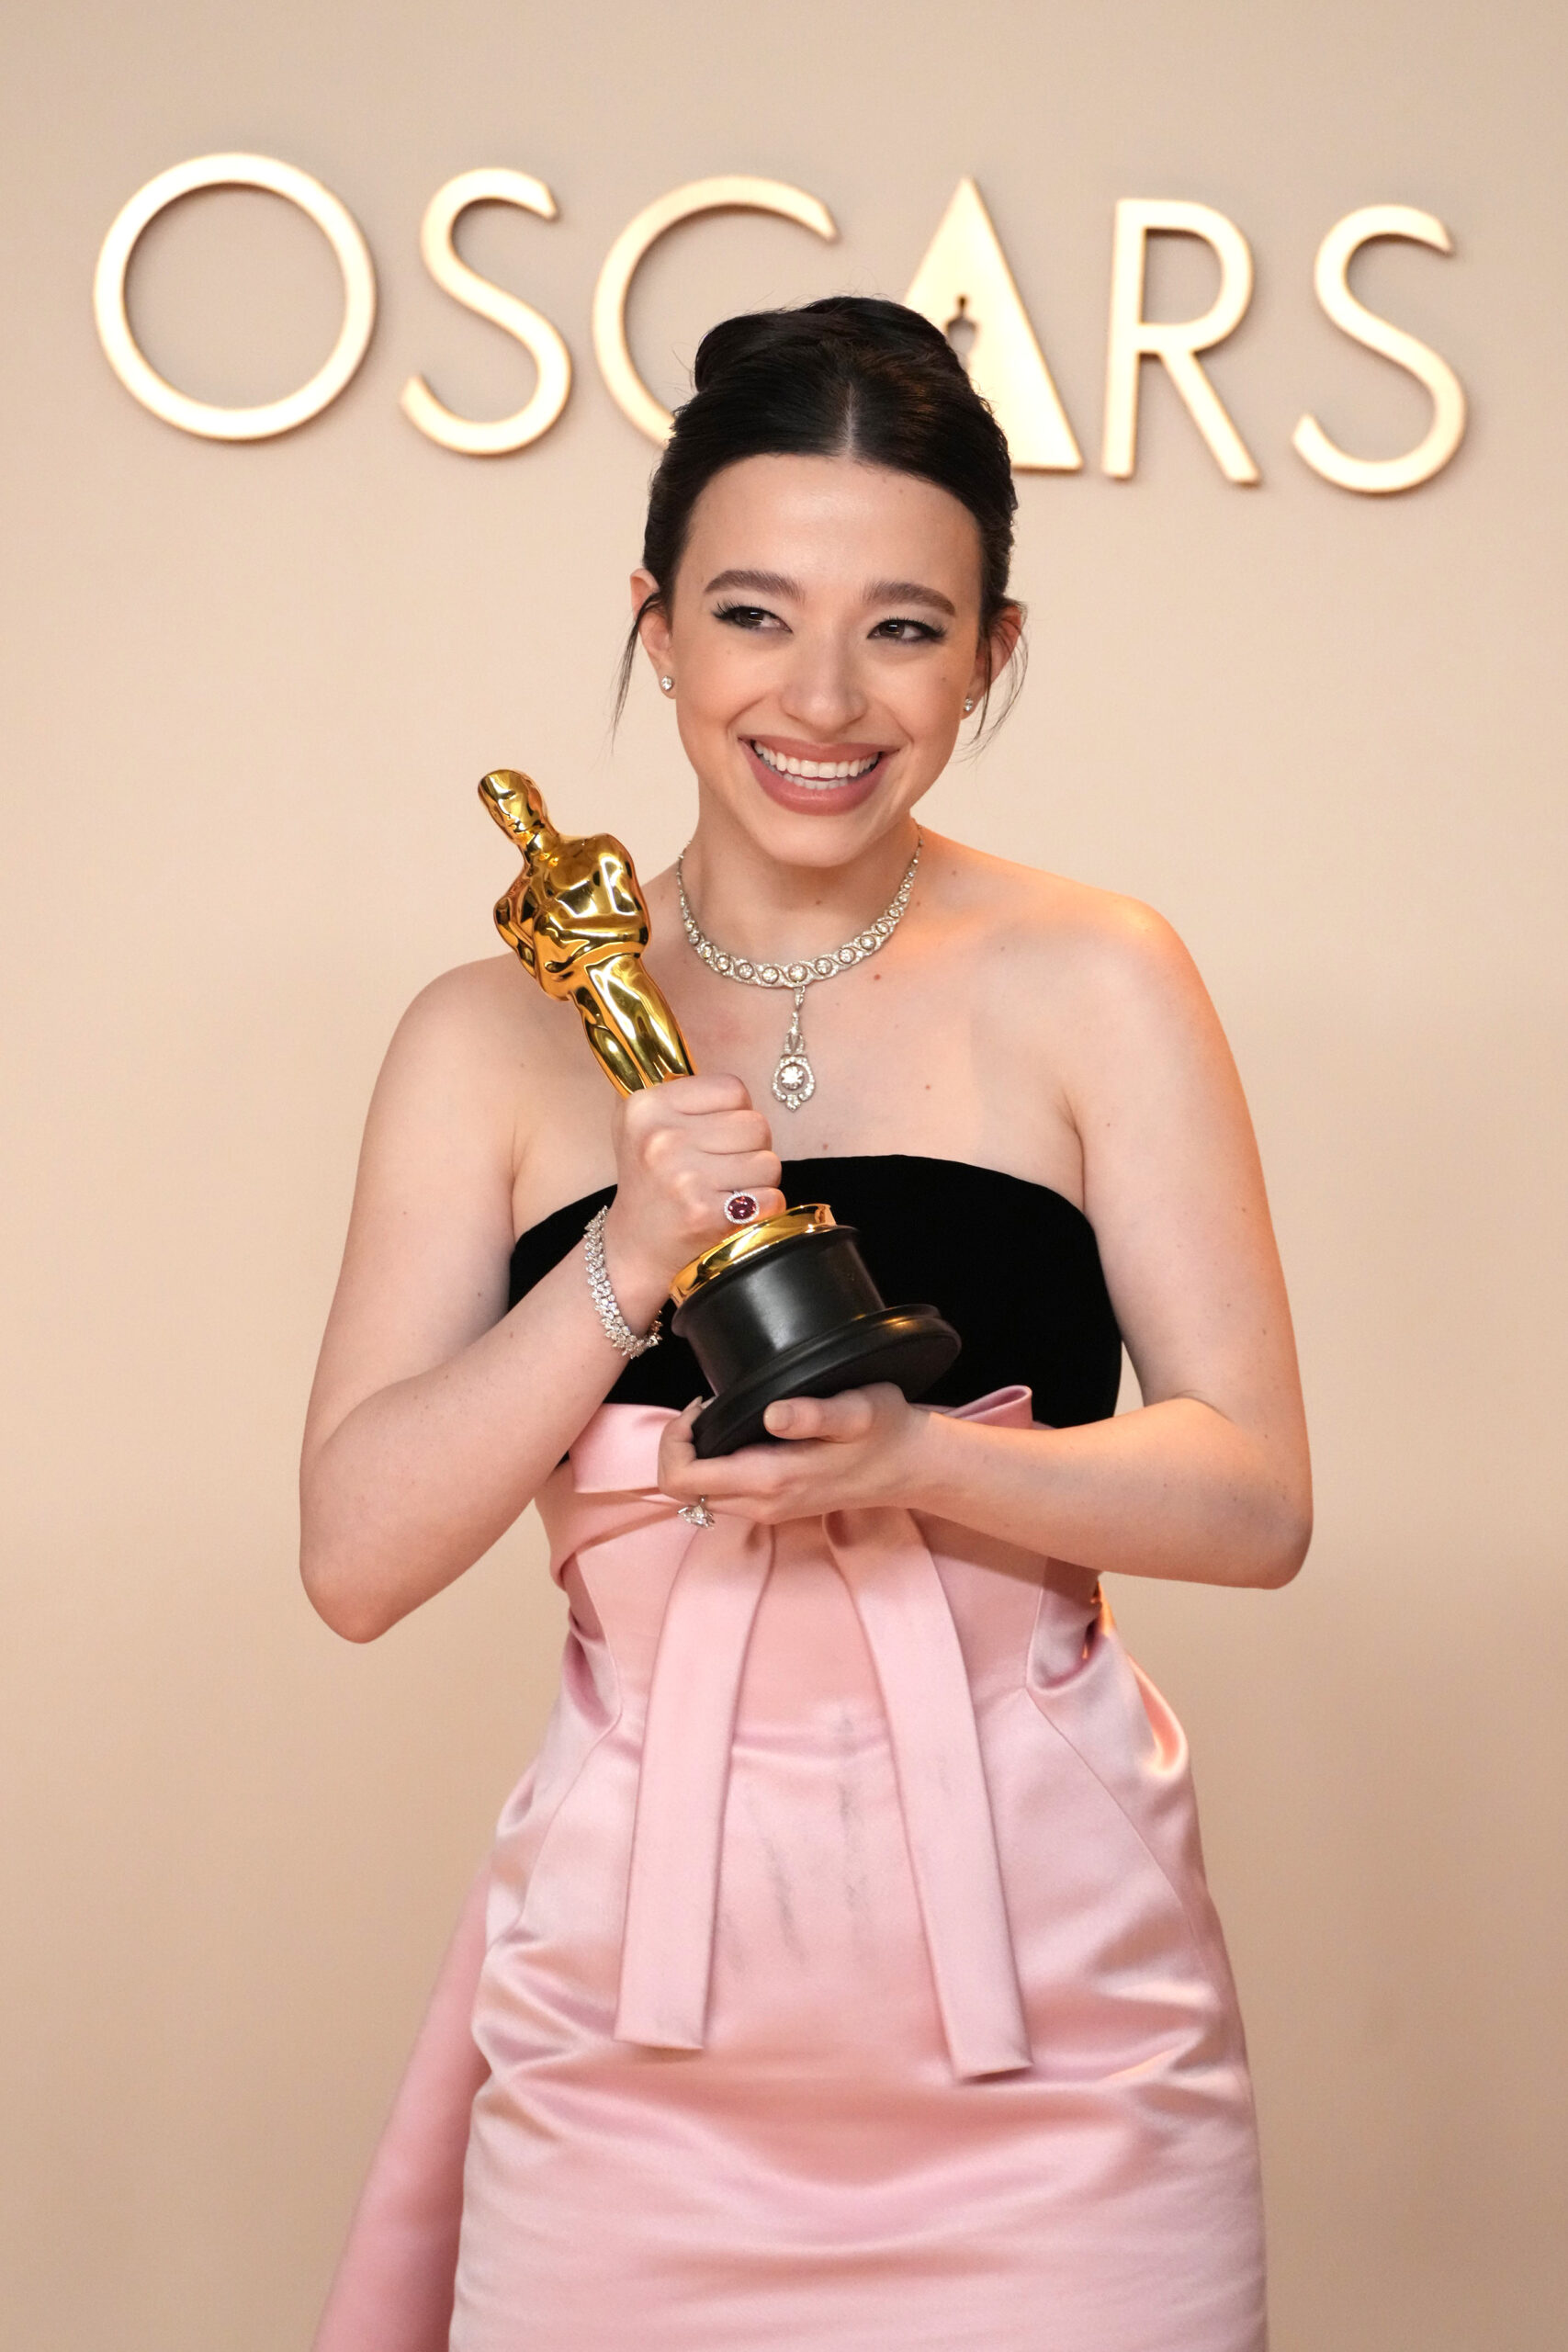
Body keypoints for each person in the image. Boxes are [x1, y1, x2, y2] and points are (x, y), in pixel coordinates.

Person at [301, 296, 1312, 2352]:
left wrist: (928, 1458)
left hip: (1058, 2026)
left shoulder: (1097, 976)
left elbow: (1255, 1488)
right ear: (658, 624)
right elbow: (355, 1554)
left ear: (992, 653)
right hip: (627, 2029)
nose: (823, 697)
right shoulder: (486, 1036)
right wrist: (618, 1265)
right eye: (753, 614)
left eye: (906, 629)